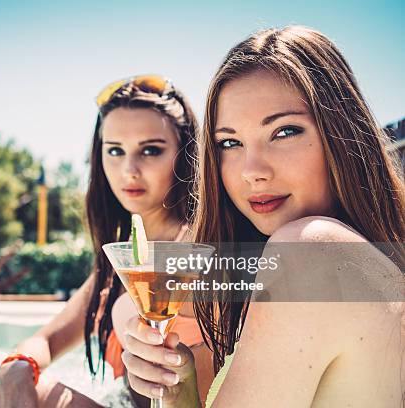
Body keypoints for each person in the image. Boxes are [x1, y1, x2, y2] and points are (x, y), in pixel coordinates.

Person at [121, 26, 405, 407]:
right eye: (230, 143)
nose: (251, 170)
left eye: (284, 131)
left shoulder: (311, 251)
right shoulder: (367, 263)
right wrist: (179, 391)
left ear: (342, 133)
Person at [0, 75, 215, 408]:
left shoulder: (201, 250)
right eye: (115, 151)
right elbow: (46, 340)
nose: (129, 169)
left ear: (184, 155)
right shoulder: (118, 264)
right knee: (26, 383)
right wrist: (16, 368)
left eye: (151, 150)